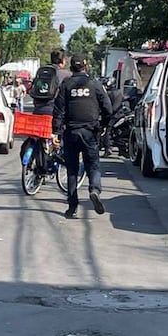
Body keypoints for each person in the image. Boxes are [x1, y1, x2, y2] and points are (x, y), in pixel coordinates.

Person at [52, 55, 112, 219]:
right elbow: (107, 107)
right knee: (93, 166)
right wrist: (104, 125)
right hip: (90, 132)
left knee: (72, 171)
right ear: (85, 66)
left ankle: (72, 207)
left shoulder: (67, 84)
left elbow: (58, 110)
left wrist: (55, 132)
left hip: (70, 133)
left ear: (71, 68)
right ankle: (94, 189)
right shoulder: (94, 84)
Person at [100, 78, 124, 157]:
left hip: (114, 116)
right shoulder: (117, 92)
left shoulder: (110, 93)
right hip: (117, 114)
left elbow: (110, 107)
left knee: (107, 130)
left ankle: (108, 148)